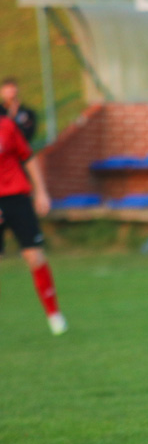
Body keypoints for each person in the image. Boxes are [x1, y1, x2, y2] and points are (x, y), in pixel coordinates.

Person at [0, 115, 67, 335]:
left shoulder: (7, 126)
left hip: (17, 198)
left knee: (35, 256)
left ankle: (54, 314)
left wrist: (41, 192)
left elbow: (28, 157)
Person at [0, 77, 37, 143]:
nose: (11, 93)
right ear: (2, 92)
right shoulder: (1, 112)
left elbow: (28, 134)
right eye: (8, 91)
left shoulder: (27, 113)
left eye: (12, 90)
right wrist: (11, 116)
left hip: (20, 149)